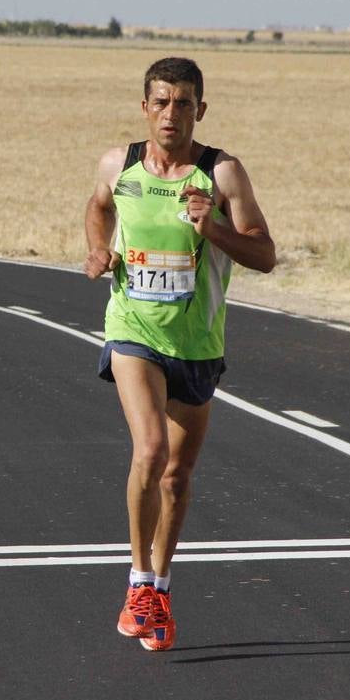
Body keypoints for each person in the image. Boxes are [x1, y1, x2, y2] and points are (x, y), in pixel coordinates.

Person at [84, 57, 276, 651]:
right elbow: (98, 208)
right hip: (133, 328)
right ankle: (138, 581)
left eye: (184, 102)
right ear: (145, 107)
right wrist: (98, 251)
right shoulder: (120, 164)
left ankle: (161, 586)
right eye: (161, 101)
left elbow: (265, 254)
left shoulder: (223, 173)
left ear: (200, 109)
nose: (172, 113)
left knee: (176, 475)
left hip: (197, 345)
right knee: (151, 448)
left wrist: (212, 226)